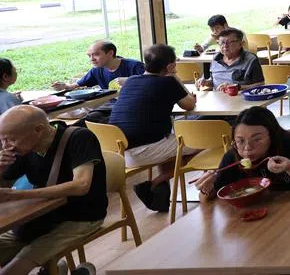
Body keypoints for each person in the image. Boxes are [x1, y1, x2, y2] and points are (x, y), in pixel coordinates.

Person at [0, 106, 107, 274]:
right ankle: (54, 269)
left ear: (38, 130)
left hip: (80, 218)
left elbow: (81, 185)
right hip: (41, 218)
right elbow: (6, 179)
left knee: (11, 270)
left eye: (10, 140)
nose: (6, 146)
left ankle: (54, 269)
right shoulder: (23, 149)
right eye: (2, 141)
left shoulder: (79, 138)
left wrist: (17, 194)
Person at [108, 44, 196, 212]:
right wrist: (175, 77)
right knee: (210, 142)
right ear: (170, 66)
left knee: (171, 141)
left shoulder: (131, 80)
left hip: (119, 152)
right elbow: (189, 104)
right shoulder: (168, 81)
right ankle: (155, 183)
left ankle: (159, 196)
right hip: (144, 151)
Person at [194, 107, 290, 198]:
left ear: (272, 136)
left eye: (257, 140)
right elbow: (207, 200)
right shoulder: (232, 156)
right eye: (240, 141)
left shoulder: (288, 143)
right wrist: (206, 188)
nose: (247, 148)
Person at [52, 41, 145, 92]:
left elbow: (151, 83)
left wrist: (130, 81)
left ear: (110, 53)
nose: (92, 59)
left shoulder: (135, 66)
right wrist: (64, 86)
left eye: (96, 54)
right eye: (89, 56)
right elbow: (76, 85)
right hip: (109, 106)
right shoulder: (96, 70)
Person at [197, 28, 264, 90]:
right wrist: (206, 82)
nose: (225, 46)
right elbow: (214, 82)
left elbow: (261, 84)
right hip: (218, 97)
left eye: (229, 42)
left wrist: (237, 87)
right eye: (222, 42)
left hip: (240, 97)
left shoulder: (250, 59)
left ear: (240, 44)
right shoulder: (215, 58)